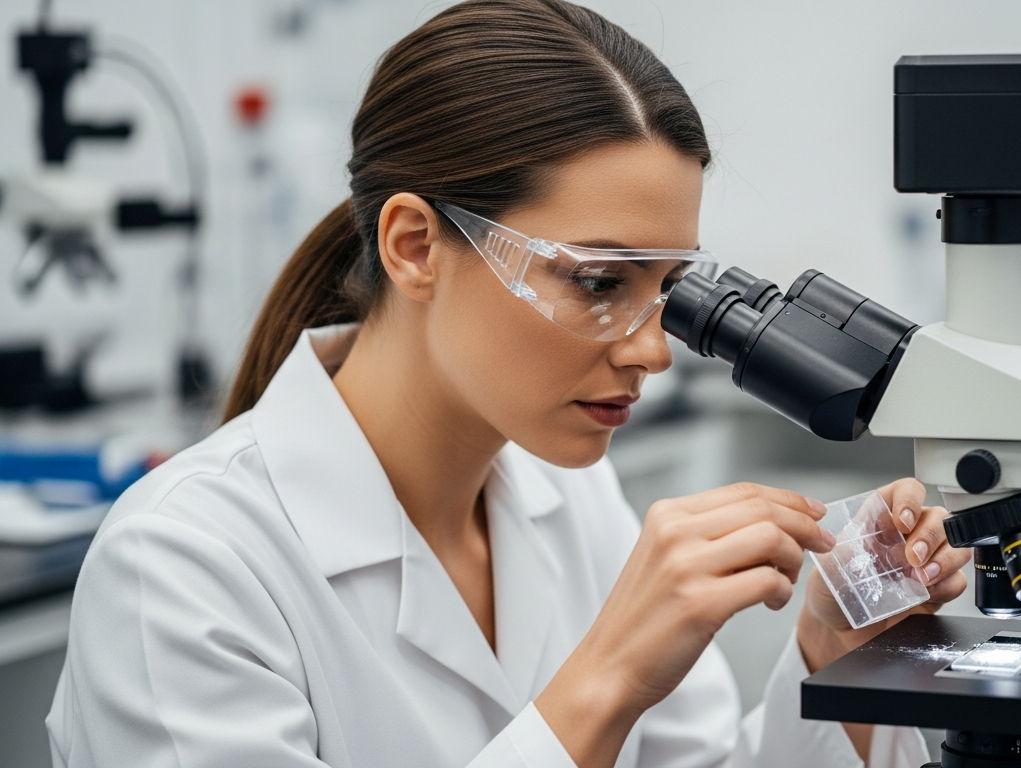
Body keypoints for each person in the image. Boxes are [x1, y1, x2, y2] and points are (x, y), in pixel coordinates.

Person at [47, 2, 970, 766]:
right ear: (415, 246)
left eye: (669, 290)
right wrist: (604, 680)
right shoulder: (183, 566)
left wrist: (836, 653)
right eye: (600, 283)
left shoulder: (573, 497)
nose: (654, 353)